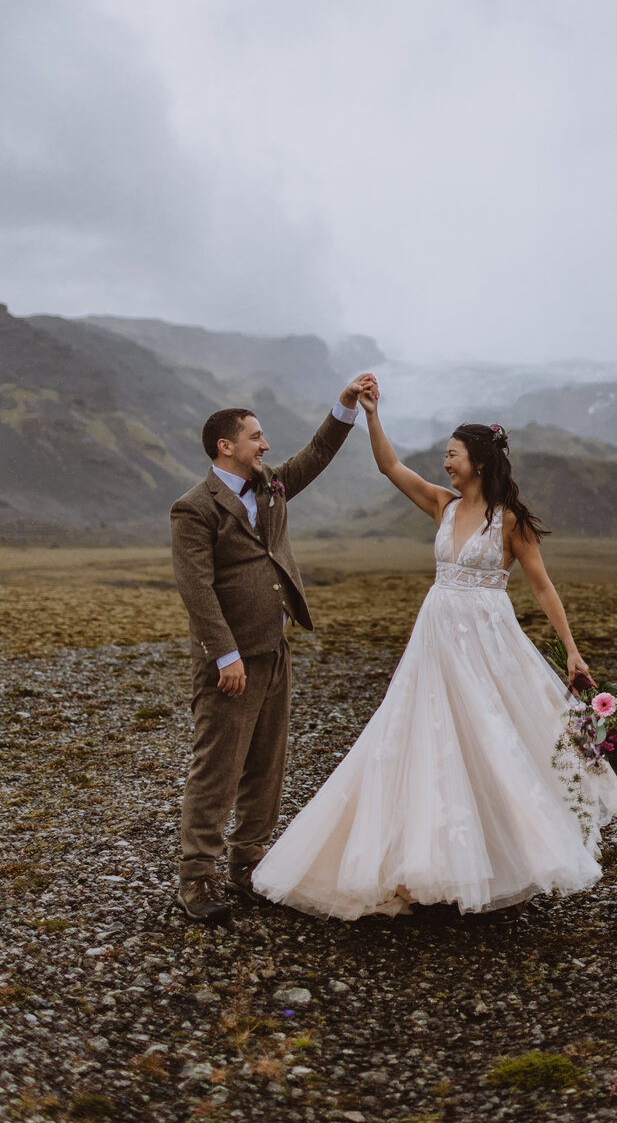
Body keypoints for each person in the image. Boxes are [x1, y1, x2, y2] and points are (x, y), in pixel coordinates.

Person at [252, 390, 617, 920]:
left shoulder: (510, 520)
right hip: (436, 637)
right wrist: (373, 416)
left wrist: (571, 650)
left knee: (493, 738)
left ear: (479, 459)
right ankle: (426, 863)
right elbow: (388, 466)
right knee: (424, 737)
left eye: (454, 453)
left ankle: (502, 859)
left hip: (488, 641)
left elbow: (542, 587)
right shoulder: (442, 504)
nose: (446, 461)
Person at [171, 374, 376, 923]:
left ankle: (247, 866)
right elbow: (197, 588)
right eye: (256, 437)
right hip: (230, 662)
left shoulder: (271, 485)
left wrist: (346, 404)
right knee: (217, 767)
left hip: (274, 649)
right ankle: (196, 880)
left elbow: (317, 453)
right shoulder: (193, 508)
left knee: (267, 764)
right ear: (226, 446)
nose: (265, 445)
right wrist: (224, 654)